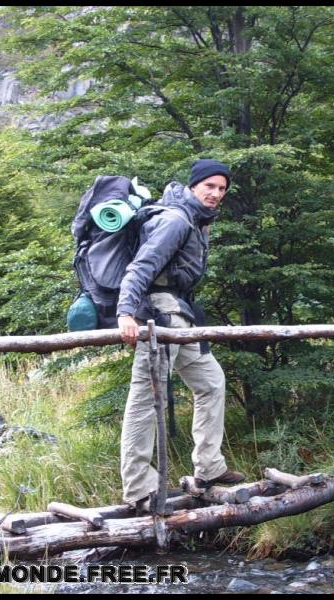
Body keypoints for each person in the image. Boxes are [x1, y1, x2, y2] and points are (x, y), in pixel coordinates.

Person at [117, 159, 245, 512]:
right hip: (161, 317)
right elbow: (141, 267)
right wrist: (125, 313)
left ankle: (209, 468)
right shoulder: (175, 220)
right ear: (194, 187)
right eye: (210, 187)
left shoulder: (198, 221)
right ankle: (139, 489)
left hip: (182, 316)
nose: (216, 194)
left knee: (212, 382)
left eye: (222, 189)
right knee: (146, 398)